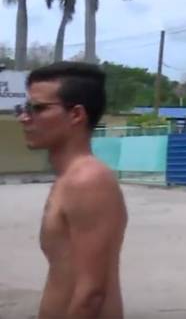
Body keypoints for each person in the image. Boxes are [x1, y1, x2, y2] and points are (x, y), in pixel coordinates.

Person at [17, 62, 127, 319]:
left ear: (76, 115)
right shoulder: (69, 179)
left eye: (38, 109)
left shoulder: (89, 181)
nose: (24, 117)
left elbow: (92, 293)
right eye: (25, 108)